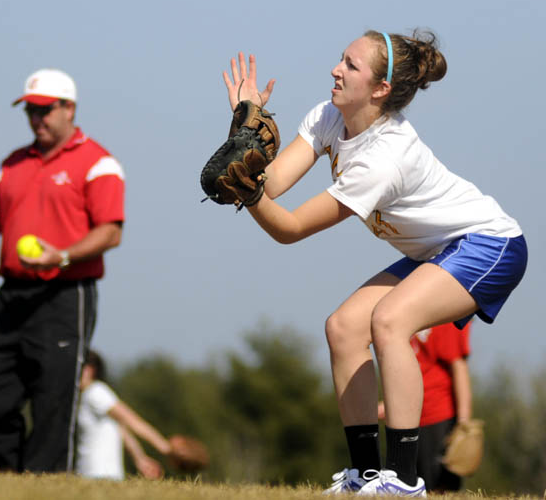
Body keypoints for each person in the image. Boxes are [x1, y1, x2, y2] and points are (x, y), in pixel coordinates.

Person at [217, 31, 526, 495]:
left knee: (388, 322)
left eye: (351, 65)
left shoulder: (383, 158)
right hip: (438, 250)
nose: (335, 69)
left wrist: (247, 189)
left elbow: (290, 228)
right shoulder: (327, 116)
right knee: (343, 328)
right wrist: (244, 129)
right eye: (340, 59)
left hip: (491, 244)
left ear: (381, 88)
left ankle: (402, 481)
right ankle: (364, 475)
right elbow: (274, 183)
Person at [0, 68, 125, 473]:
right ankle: (18, 478)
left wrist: (61, 256)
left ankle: (43, 484)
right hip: (12, 294)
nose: (36, 119)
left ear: (69, 108)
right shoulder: (13, 164)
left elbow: (110, 232)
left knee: (53, 401)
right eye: (30, 112)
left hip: (66, 294)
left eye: (44, 110)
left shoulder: (99, 163)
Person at [378, 322, 474, 492]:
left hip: (437, 416)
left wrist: (463, 422)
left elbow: (459, 367)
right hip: (406, 418)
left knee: (438, 488)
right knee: (401, 483)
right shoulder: (407, 312)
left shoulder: (447, 318)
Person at [76, 350, 169, 480]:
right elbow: (121, 428)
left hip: (99, 474)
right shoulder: (85, 396)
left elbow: (131, 419)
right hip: (92, 473)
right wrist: (139, 458)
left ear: (91, 369)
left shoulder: (96, 392)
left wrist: (164, 447)